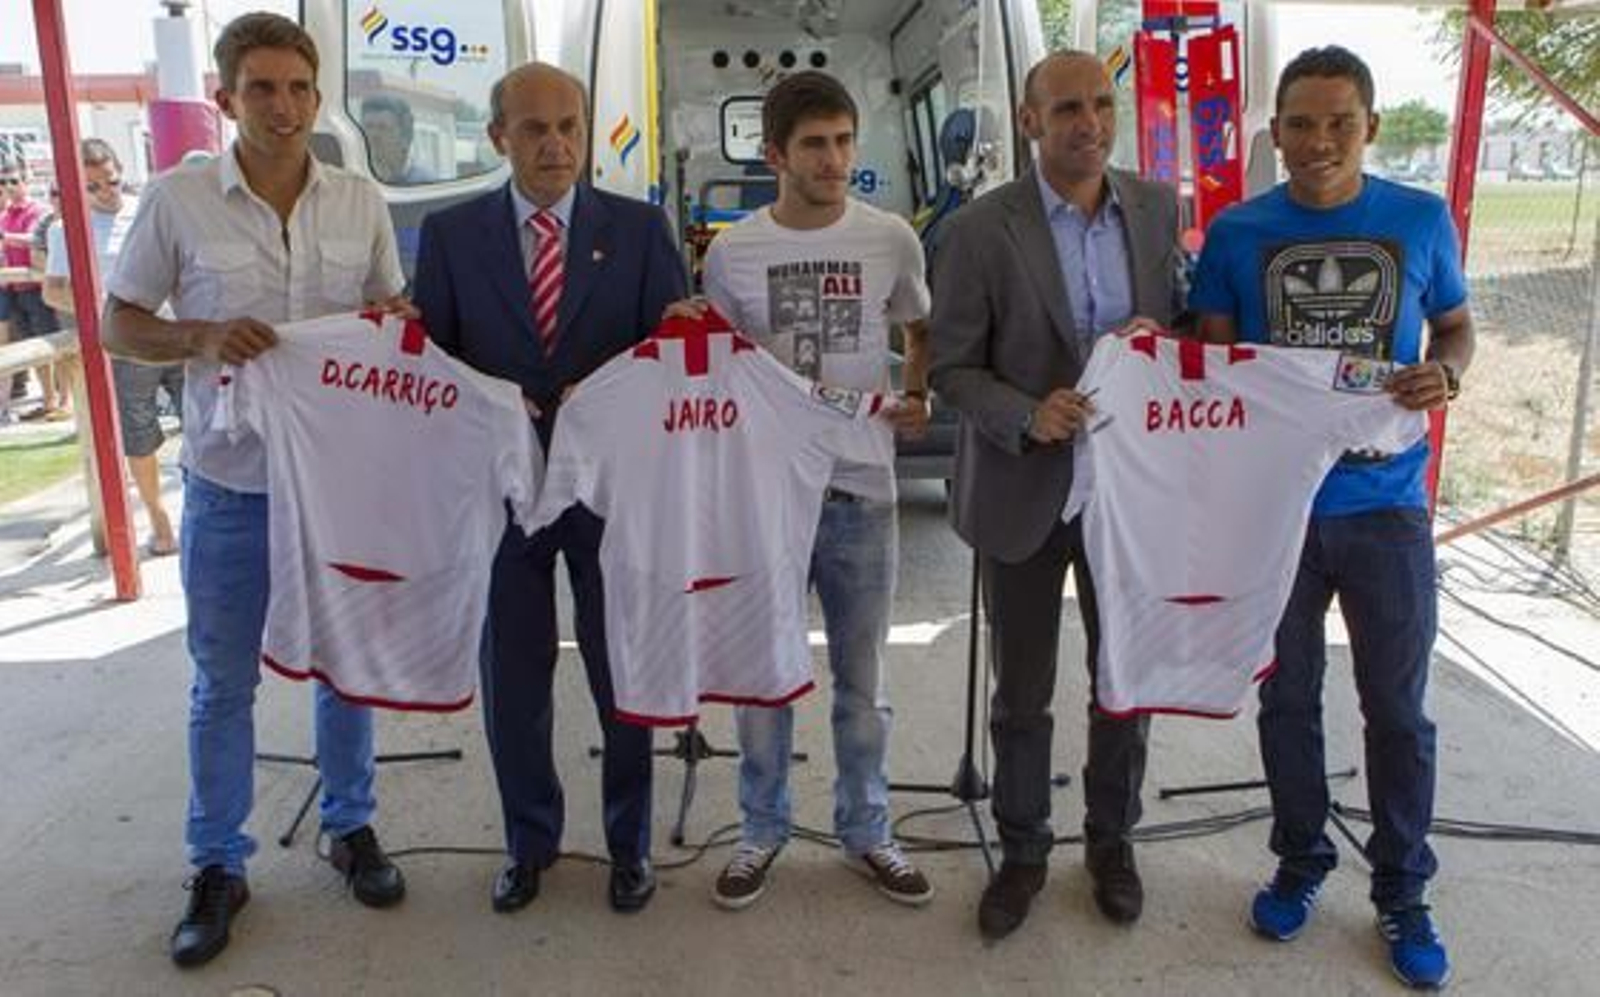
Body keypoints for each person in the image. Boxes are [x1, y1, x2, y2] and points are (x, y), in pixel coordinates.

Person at [102, 12, 413, 968]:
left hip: (337, 485)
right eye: (263, 89)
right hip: (232, 486)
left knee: (345, 668)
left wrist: (391, 325)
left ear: (319, 98)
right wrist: (197, 337)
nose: (284, 107)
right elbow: (119, 323)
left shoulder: (361, 201)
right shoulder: (177, 199)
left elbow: (389, 312)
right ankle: (217, 863)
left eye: (299, 89)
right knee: (221, 682)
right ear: (226, 99)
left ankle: (350, 825)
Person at [1190, 46, 1474, 991]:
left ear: (1372, 127)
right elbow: (1216, 371)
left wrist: (1451, 372)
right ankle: (1301, 858)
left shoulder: (1421, 220)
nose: (1317, 143)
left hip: (1386, 505)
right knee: (1286, 696)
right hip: (1275, 509)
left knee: (1396, 709)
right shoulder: (1236, 233)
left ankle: (1402, 886)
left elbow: (1457, 325)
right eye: (1300, 124)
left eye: (1338, 123)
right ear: (1274, 130)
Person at [411, 62, 685, 916]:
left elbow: (667, 361)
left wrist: (606, 389)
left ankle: (628, 846)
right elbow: (441, 368)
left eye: (569, 125)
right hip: (501, 495)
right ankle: (529, 842)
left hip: (611, 495)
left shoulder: (640, 231)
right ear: (499, 136)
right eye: (534, 129)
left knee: (624, 672)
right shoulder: (452, 236)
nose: (556, 144)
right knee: (515, 677)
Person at [927, 50, 1186, 940]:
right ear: (1030, 121)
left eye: (1103, 104)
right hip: (1022, 487)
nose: (1090, 122)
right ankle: (1024, 850)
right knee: (1022, 693)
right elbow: (951, 370)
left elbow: (1188, 334)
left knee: (1125, 678)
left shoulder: (1156, 211)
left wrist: (1165, 343)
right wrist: (1026, 413)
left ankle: (1112, 843)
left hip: (1128, 496)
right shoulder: (976, 232)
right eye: (1067, 107)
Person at [691, 69, 936, 912]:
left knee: (863, 682)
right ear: (774, 155)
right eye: (815, 146)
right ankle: (762, 828)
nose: (835, 161)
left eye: (843, 141)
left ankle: (870, 828)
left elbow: (919, 324)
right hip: (766, 497)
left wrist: (919, 393)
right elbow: (717, 366)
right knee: (765, 673)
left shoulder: (891, 236)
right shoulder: (733, 252)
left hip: (863, 488)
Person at [43, 138, 183, 557]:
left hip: (180, 335)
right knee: (140, 438)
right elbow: (54, 290)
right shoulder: (65, 229)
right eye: (93, 187)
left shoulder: (152, 206)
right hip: (128, 348)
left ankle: (195, 509)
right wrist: (106, 311)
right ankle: (159, 518)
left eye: (112, 181)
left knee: (205, 425)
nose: (106, 192)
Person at [0, 155, 65, 419]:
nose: (10, 186)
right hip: (15, 290)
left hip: (37, 288)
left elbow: (33, 240)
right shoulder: (6, 215)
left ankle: (64, 401)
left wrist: (7, 238)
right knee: (34, 350)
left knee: (56, 345)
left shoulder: (37, 211)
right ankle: (49, 400)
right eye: (5, 182)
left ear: (26, 182)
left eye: (15, 180)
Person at [360, 94, 434, 185]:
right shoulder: (356, 180)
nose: (373, 135)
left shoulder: (426, 183)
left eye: (383, 128)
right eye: (368, 127)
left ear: (404, 138)